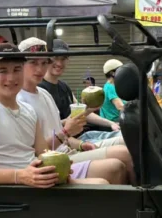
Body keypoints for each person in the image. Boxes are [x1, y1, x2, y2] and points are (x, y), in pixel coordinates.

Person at [0, 43, 112, 187]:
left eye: (17, 70)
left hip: (36, 181)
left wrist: (61, 167)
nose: (11, 78)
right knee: (102, 184)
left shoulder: (28, 110)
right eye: (2, 71)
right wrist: (20, 176)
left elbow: (43, 153)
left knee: (105, 182)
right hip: (12, 191)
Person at [16, 38, 131, 184]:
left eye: (44, 62)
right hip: (53, 160)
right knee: (116, 164)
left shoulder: (45, 94)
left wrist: (80, 144)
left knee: (125, 150)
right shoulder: (18, 100)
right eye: (33, 62)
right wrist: (67, 132)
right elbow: (38, 151)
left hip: (67, 150)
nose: (40, 69)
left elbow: (60, 132)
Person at [38, 39, 122, 142]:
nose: (59, 63)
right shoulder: (40, 89)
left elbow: (81, 111)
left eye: (63, 58)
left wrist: (111, 123)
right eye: (55, 57)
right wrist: (77, 118)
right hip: (66, 142)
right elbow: (49, 127)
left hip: (82, 137)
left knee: (125, 136)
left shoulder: (64, 86)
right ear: (47, 59)